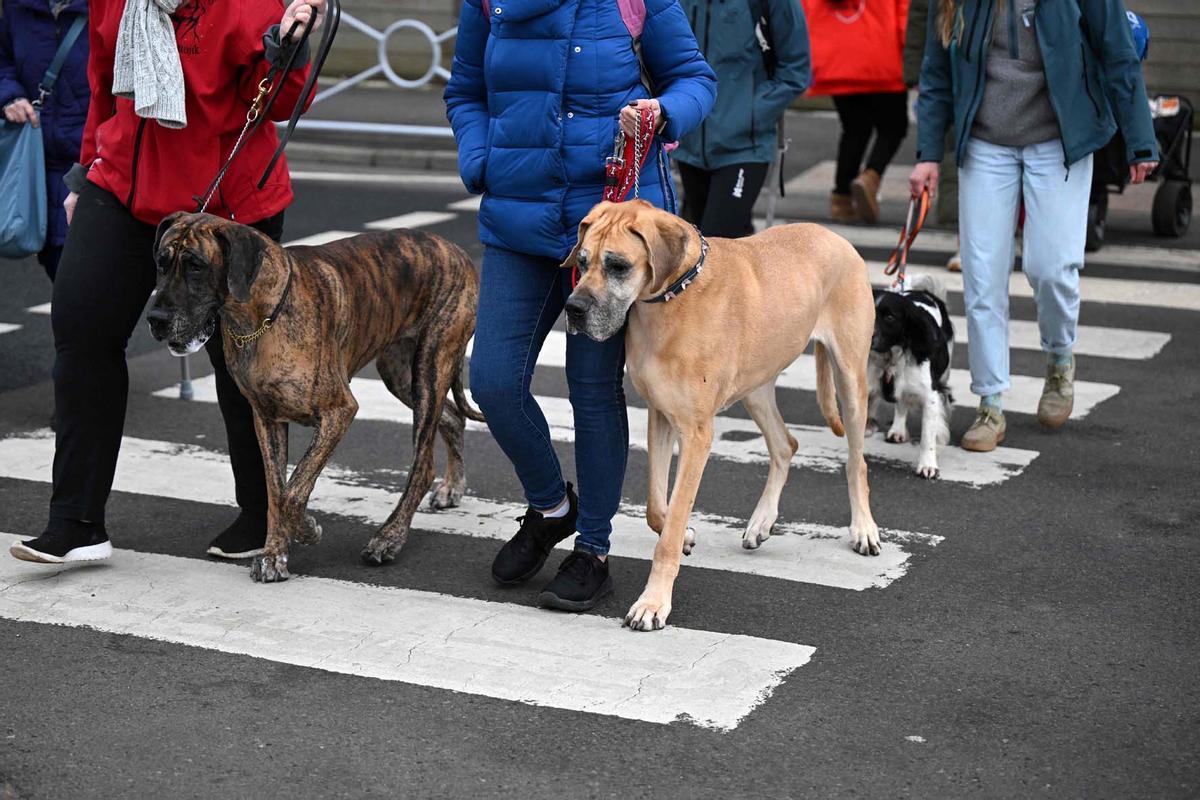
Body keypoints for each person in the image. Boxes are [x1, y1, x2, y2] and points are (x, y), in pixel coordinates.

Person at [8, 0, 325, 566]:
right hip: (124, 185)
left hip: (226, 202)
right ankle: (76, 522)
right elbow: (102, 88)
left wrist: (292, 44)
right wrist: (85, 172)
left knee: (237, 363)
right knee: (82, 330)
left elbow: (280, 102)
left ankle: (261, 512)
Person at [444, 0, 716, 611]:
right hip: (519, 219)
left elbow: (696, 80)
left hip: (609, 229)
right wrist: (481, 158)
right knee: (492, 381)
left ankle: (593, 550)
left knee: (592, 390)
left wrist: (662, 113)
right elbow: (463, 89)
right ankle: (551, 507)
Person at [910, 0, 1157, 452]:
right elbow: (936, 73)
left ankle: (1060, 358)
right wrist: (928, 154)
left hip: (1058, 140)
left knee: (1052, 267)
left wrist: (1141, 140)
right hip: (986, 144)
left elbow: (1117, 52)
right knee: (983, 277)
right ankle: (990, 403)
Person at [674, 0, 811, 238]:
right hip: (689, 145)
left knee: (714, 247)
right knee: (705, 246)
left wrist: (749, 114)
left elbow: (795, 71)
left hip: (744, 147)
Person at [0, 0, 90, 281]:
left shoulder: (110, 8)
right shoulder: (17, 7)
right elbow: (3, 61)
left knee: (91, 292)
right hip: (38, 168)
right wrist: (10, 96)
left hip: (93, 167)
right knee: (63, 277)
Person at [803, 0, 910, 223]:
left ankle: (841, 199)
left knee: (854, 129)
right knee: (894, 127)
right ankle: (871, 176)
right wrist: (910, 59)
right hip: (882, 58)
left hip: (835, 58)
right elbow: (904, 16)